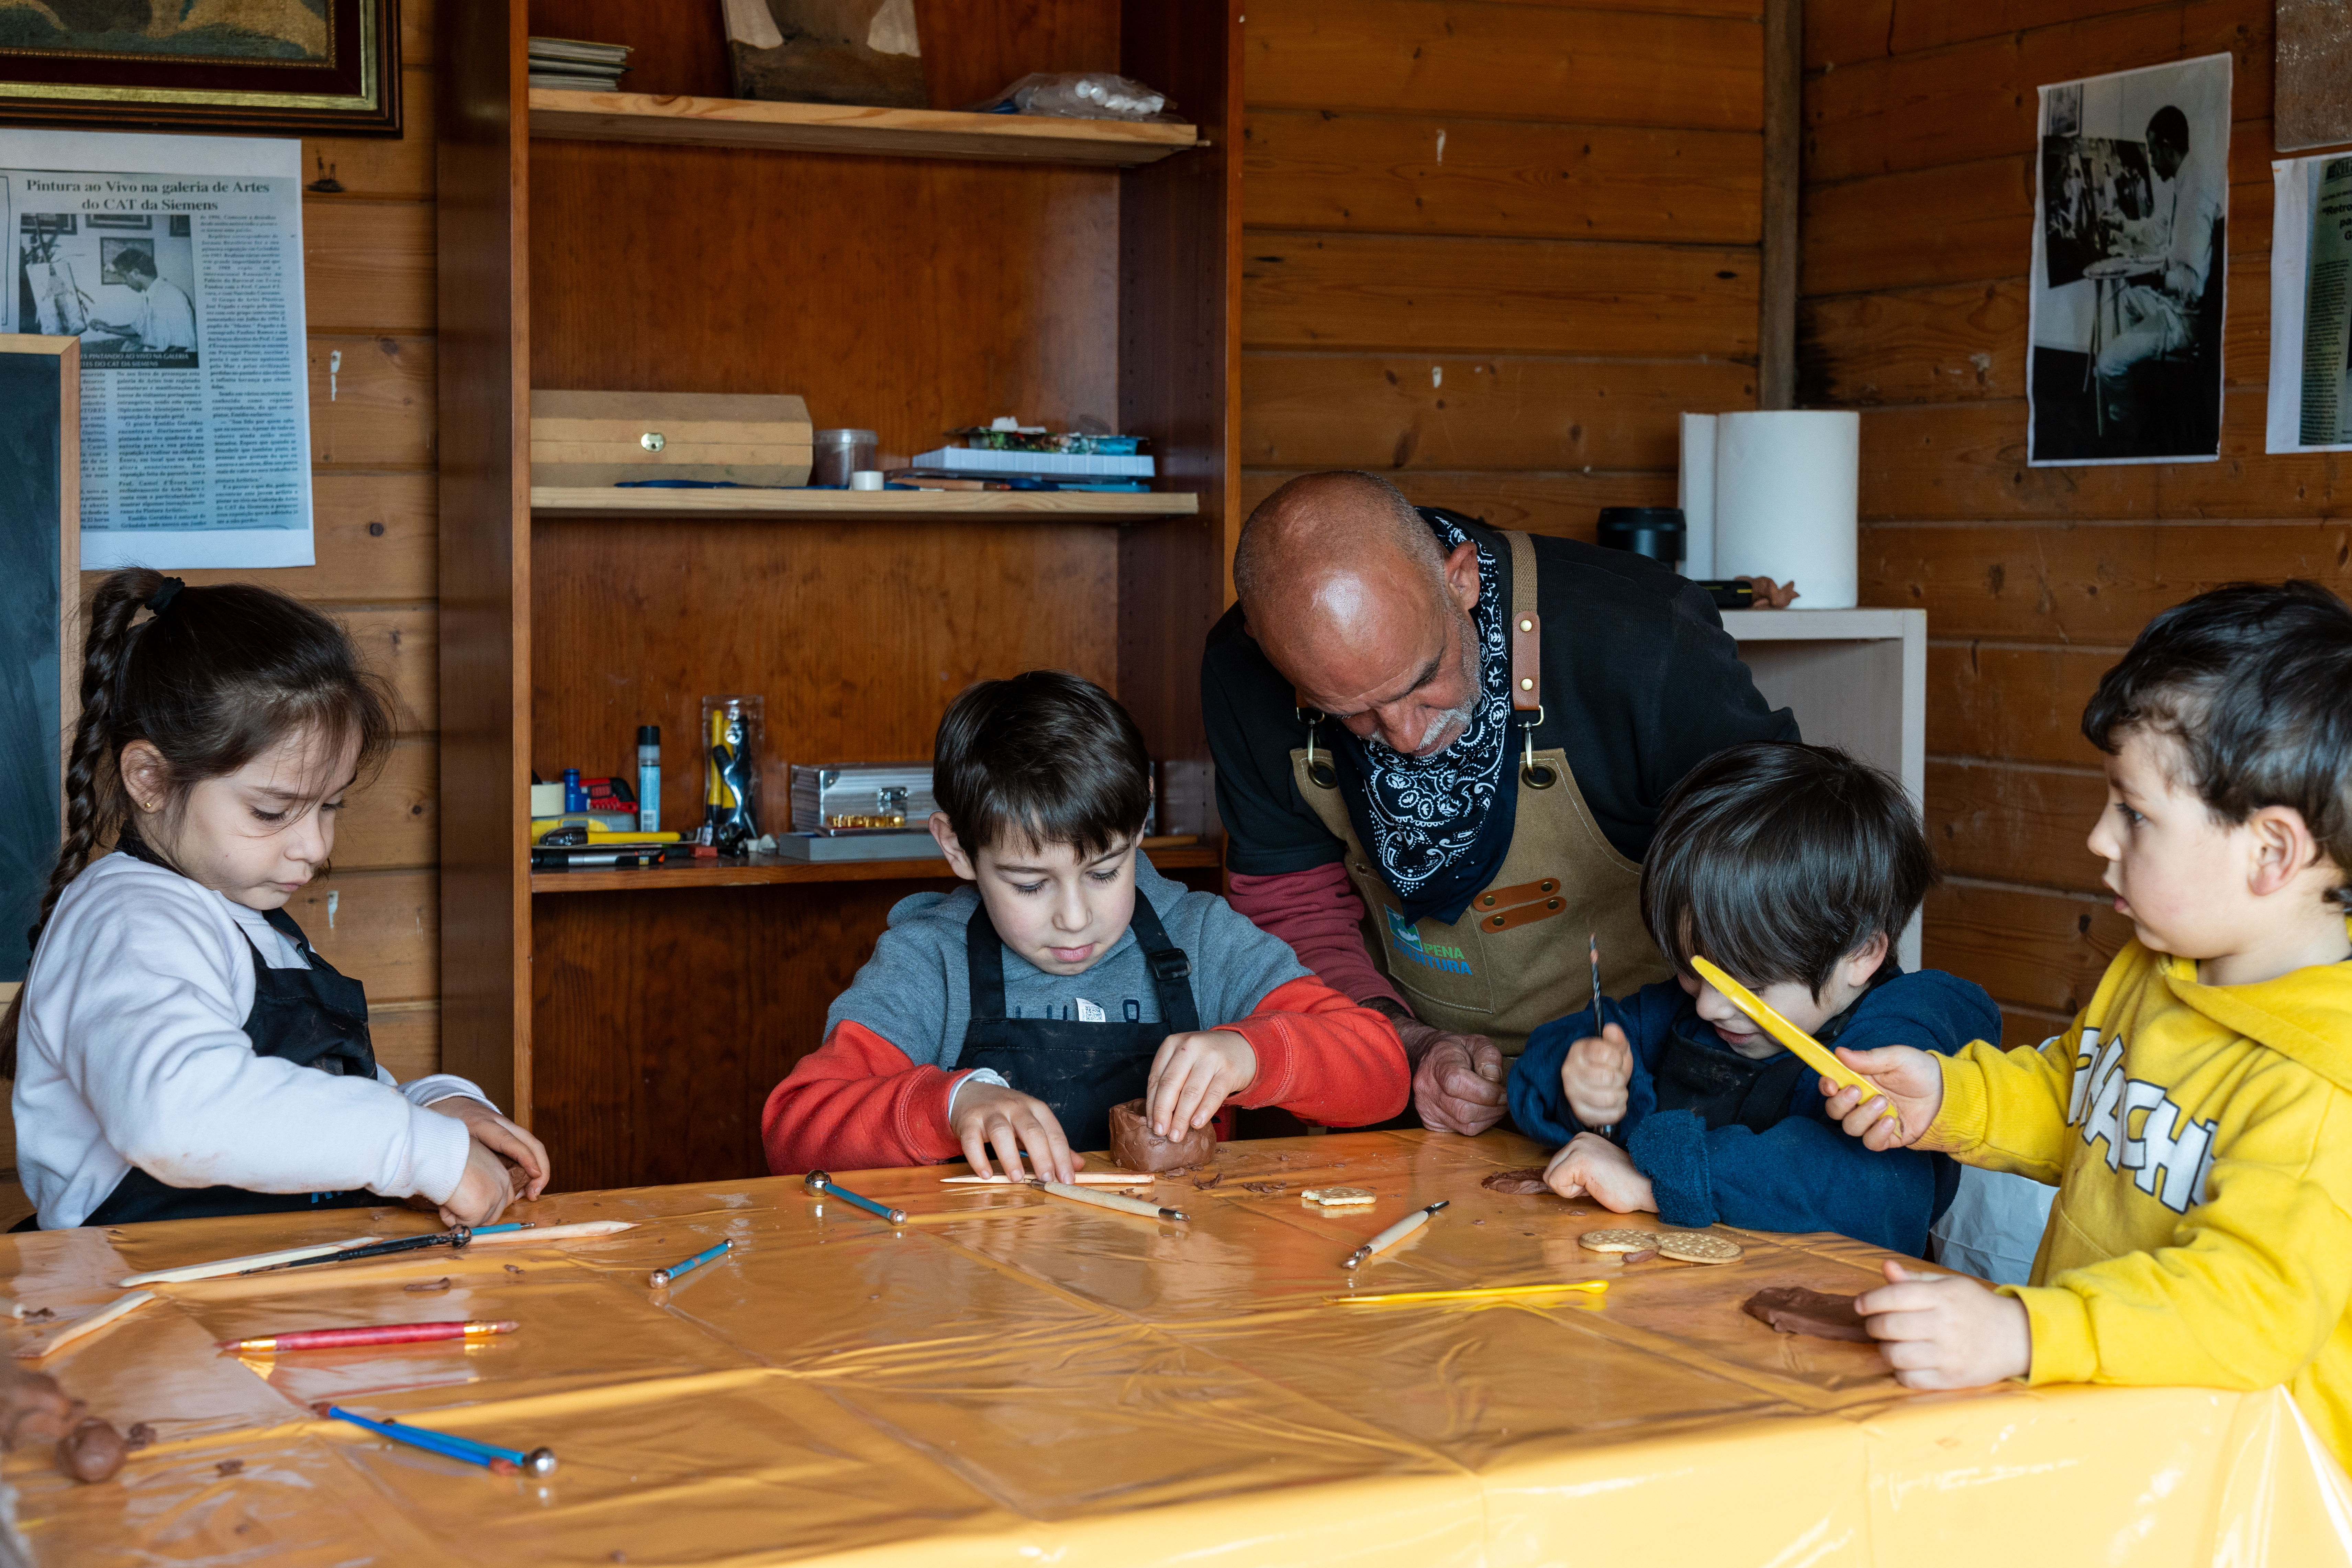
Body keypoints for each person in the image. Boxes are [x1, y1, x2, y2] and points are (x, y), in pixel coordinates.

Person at [1825, 582, 2352, 1466]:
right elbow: (2081, 1095)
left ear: (2269, 852)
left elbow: (2242, 1304)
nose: (2098, 837)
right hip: (2121, 1438)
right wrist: (1946, 1094)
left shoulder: (2321, 1080)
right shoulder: (2158, 966)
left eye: (2134, 812)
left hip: (2252, 1496)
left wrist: (2025, 1331)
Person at [1201, 470, 1795, 1136]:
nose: (1404, 734)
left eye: (1423, 680)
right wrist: (1402, 1044)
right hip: (1406, 1094)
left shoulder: (1641, 639)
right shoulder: (1242, 672)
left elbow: (1792, 872)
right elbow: (1294, 911)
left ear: (1460, 579)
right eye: (1353, 713)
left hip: (1656, 1090)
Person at [7, 570, 548, 1232]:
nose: (316, 847)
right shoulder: (131, 917)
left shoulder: (249, 921)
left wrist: (431, 1107)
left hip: (247, 1293)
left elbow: (309, 1105)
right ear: (149, 779)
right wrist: (416, 1148)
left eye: (330, 805)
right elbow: (178, 1114)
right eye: (272, 811)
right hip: (140, 1302)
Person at [761, 671, 1411, 1179]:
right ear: (957, 848)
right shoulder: (929, 960)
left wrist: (1254, 1052)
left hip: (1176, 1289)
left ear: (1139, 827)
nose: (1074, 917)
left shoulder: (1202, 938)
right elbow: (794, 1129)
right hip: (984, 1304)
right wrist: (950, 1105)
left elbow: (1383, 1070)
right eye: (1029, 883)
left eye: (1104, 872)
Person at [1509, 742, 1997, 1254]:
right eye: (1691, 968)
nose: (1707, 1006)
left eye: (1750, 985)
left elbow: (1867, 1189)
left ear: (1861, 953)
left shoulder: (1907, 1031)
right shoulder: (1683, 1013)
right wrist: (1576, 1076)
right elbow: (1553, 1061)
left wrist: (1651, 1184)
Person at [2094, 105, 2220, 413]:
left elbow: (2193, 286)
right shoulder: (2189, 177)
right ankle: (2147, 369)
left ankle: (2126, 421)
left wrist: (2151, 278)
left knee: (2106, 365)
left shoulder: (2194, 194)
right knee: (2129, 300)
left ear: (2166, 148)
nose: (2150, 162)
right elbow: (2159, 227)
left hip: (2185, 320)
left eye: (2152, 154)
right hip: (2176, 307)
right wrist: (2121, 224)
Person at [93, 247, 196, 354]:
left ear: (136, 273)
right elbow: (136, 329)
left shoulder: (171, 296)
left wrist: (156, 364)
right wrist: (105, 328)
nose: (125, 282)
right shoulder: (149, 296)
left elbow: (182, 345)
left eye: (125, 277)